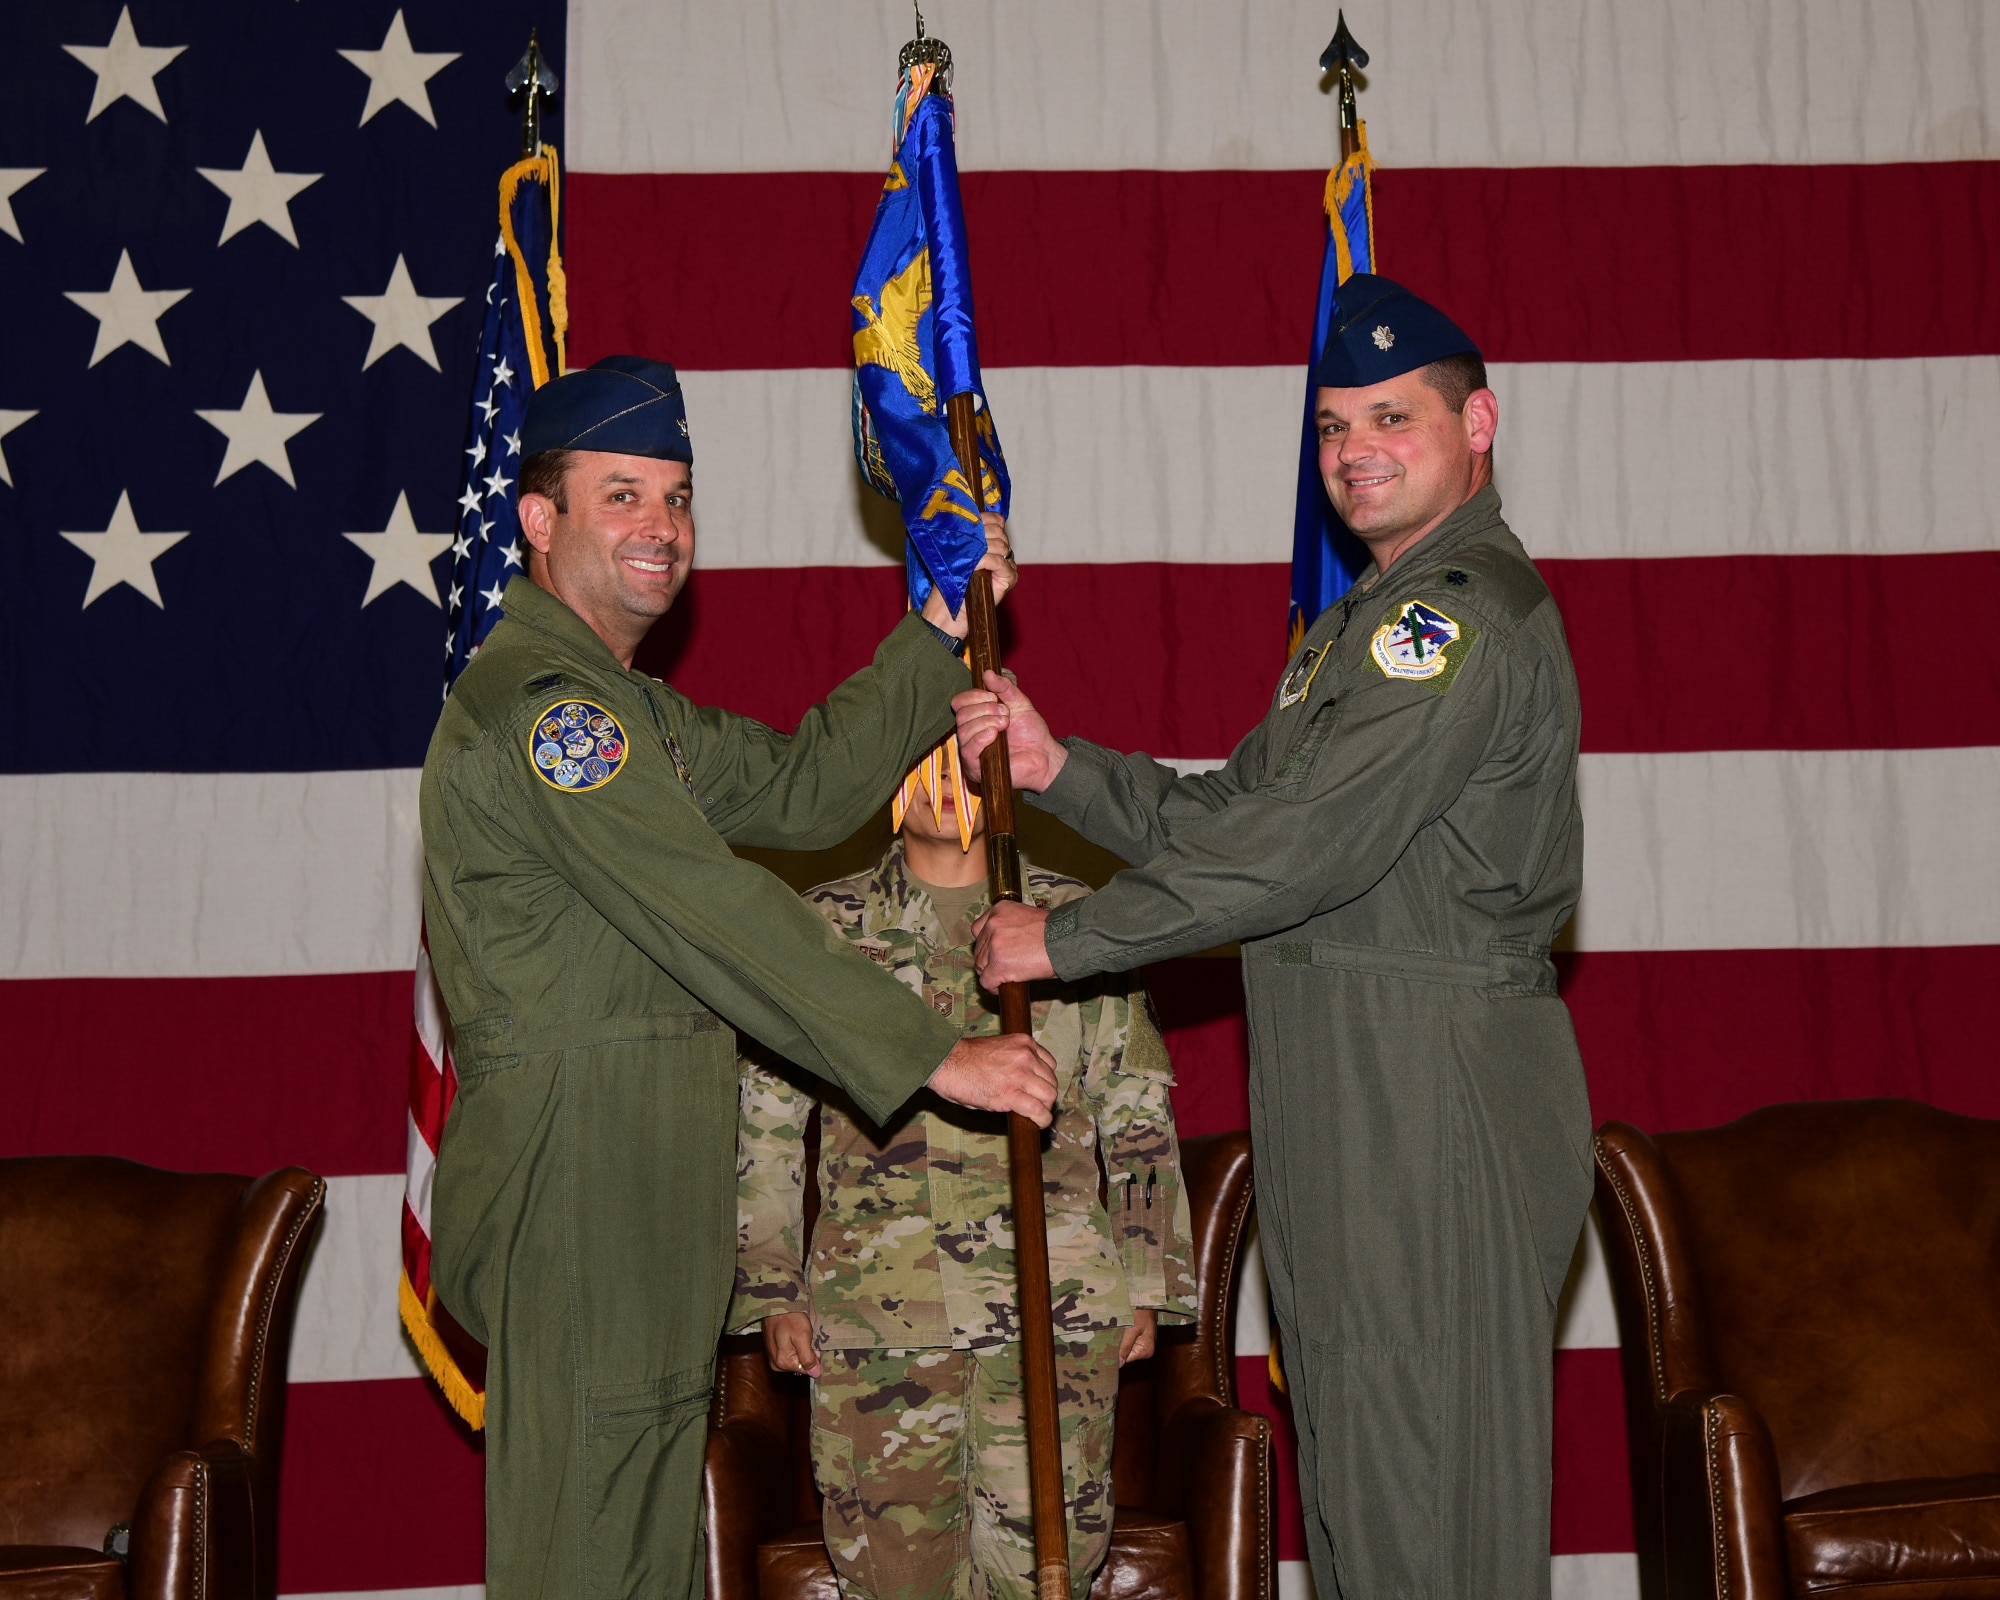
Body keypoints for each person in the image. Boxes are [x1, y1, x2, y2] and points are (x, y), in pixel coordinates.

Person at [956, 277, 1593, 1598]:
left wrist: (1066, 943)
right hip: (1348, 1098)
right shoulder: (1353, 634)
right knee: (1366, 1500)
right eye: (1331, 425)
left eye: (1390, 417)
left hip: (1432, 1095)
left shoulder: (1451, 621)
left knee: (1432, 1517)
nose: (1354, 449)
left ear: (1478, 423)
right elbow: (1235, 814)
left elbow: (1302, 852)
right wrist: (1061, 766)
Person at [419, 355, 1061, 1600]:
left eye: (675, 495)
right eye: (621, 495)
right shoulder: (554, 711)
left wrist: (936, 628)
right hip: (577, 1181)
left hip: (642, 1179)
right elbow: (715, 911)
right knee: (585, 1562)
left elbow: (806, 785)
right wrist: (934, 1052)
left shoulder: (626, 710)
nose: (660, 526)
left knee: (644, 1563)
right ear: (538, 520)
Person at [729, 741, 1195, 1600]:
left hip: (1052, 1310)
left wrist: (1143, 1278)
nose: (946, 782)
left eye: (964, 757)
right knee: (895, 1579)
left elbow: (1135, 1111)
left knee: (1046, 1575)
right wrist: (772, 1292)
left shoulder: (1075, 920)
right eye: (921, 758)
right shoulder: (815, 930)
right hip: (880, 1317)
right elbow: (764, 1126)